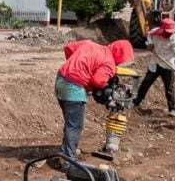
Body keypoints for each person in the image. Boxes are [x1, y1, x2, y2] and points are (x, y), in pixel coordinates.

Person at [54, 39, 134, 168]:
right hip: (74, 87)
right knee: (75, 126)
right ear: (119, 55)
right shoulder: (109, 63)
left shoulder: (90, 44)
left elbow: (68, 48)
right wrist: (105, 85)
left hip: (61, 79)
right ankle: (69, 162)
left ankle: (65, 152)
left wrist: (78, 65)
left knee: (70, 122)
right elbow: (98, 81)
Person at [132, 17, 175, 117]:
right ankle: (135, 103)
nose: (170, 34)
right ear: (162, 29)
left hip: (167, 65)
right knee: (145, 84)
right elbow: (149, 36)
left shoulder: (174, 40)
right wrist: (149, 44)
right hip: (155, 63)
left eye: (171, 32)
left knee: (169, 88)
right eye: (168, 32)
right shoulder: (155, 32)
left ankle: (172, 109)